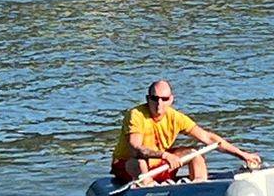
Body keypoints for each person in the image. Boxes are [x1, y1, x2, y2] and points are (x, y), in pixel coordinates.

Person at [110, 80, 261, 186]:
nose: (159, 104)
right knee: (139, 161)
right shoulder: (135, 115)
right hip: (129, 166)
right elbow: (135, 147)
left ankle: (199, 187)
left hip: (159, 164)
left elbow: (208, 138)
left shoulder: (176, 117)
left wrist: (243, 155)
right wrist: (164, 155)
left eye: (164, 99)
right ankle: (148, 189)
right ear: (147, 99)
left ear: (171, 100)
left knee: (194, 154)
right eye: (154, 98)